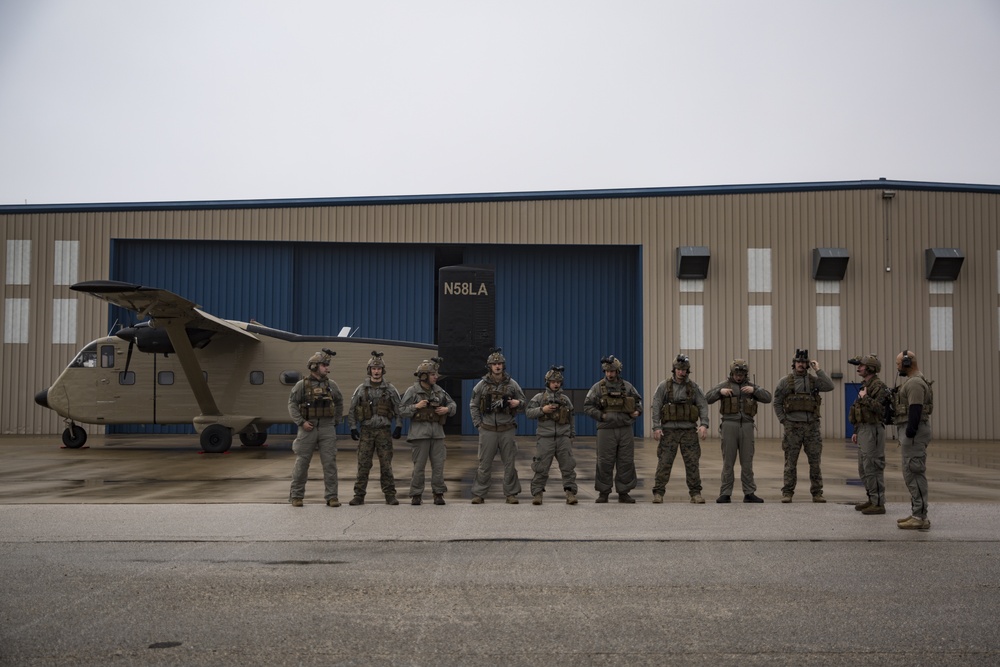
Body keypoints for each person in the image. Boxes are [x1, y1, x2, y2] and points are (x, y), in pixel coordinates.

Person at [705, 358, 772, 503]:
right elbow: (707, 398)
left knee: (747, 461)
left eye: (742, 373)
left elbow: (768, 398)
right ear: (732, 372)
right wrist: (719, 391)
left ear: (746, 373)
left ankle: (749, 492)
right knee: (728, 461)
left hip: (747, 426)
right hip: (729, 425)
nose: (739, 376)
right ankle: (725, 493)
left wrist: (755, 390)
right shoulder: (725, 385)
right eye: (737, 373)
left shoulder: (751, 386)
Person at [773, 349, 834, 503]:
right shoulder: (785, 382)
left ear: (808, 365)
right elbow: (777, 402)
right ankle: (787, 492)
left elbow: (829, 385)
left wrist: (818, 370)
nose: (801, 364)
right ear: (794, 364)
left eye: (804, 362)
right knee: (790, 463)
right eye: (799, 362)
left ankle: (817, 493)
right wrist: (784, 421)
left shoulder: (814, 381)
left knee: (815, 463)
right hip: (792, 428)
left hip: (812, 428)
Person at [287, 349, 344, 507]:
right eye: (324, 365)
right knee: (302, 463)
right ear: (314, 366)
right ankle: (296, 496)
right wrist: (301, 422)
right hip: (307, 427)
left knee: (330, 463)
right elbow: (292, 404)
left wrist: (335, 421)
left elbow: (339, 402)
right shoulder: (301, 386)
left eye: (327, 365)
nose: (327, 368)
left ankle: (332, 497)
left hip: (327, 427)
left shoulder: (331, 385)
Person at [650, 354, 710, 504]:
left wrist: (704, 424)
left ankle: (695, 493)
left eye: (684, 370)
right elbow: (656, 405)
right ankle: (658, 493)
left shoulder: (694, 387)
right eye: (678, 369)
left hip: (689, 431)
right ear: (674, 370)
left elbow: (702, 405)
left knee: (692, 463)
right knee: (664, 462)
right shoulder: (664, 386)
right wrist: (656, 426)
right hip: (668, 431)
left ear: (688, 371)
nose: (681, 372)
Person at [469, 348, 526, 504]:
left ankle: (511, 494)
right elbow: (473, 405)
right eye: (494, 364)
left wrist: (517, 403)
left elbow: (525, 403)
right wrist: (478, 424)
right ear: (489, 366)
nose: (497, 366)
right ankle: (479, 494)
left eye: (500, 363)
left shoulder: (512, 384)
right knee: (484, 464)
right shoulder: (481, 385)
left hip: (507, 428)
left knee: (509, 463)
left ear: (503, 365)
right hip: (487, 430)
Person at [583, 355, 643, 503]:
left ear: (618, 371)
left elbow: (638, 402)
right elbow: (587, 406)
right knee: (604, 461)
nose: (609, 374)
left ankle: (624, 492)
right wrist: (601, 416)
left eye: (612, 371)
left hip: (625, 429)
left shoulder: (627, 387)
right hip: (606, 429)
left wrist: (637, 412)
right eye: (607, 371)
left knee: (626, 461)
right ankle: (604, 492)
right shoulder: (597, 387)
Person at [346, 351, 403, 506]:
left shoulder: (390, 389)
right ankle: (359, 495)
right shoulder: (361, 389)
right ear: (369, 370)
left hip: (384, 431)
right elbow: (352, 410)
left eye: (379, 368)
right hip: (367, 431)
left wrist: (398, 426)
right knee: (363, 464)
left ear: (382, 370)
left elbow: (399, 409)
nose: (376, 371)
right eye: (373, 368)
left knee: (386, 465)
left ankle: (390, 495)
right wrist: (352, 427)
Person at [398, 357, 456, 506]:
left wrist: (447, 409)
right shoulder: (413, 391)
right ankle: (416, 494)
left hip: (437, 435)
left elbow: (453, 405)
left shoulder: (439, 391)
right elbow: (401, 410)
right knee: (419, 467)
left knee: (438, 466)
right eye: (432, 374)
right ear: (424, 376)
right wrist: (415, 407)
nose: (436, 377)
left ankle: (438, 493)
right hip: (419, 435)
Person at [893, 349, 934, 530]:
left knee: (914, 472)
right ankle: (917, 512)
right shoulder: (913, 381)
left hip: (914, 434)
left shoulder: (915, 383)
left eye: (899, 363)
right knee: (911, 472)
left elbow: (915, 410)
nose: (897, 366)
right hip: (913, 434)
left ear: (908, 363)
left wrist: (909, 434)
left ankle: (920, 516)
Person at [525, 365, 578, 505]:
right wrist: (543, 409)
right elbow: (529, 413)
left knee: (568, 466)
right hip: (545, 438)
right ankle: (537, 493)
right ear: (547, 382)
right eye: (553, 381)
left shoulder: (565, 399)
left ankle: (570, 493)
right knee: (541, 467)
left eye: (558, 382)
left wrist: (571, 435)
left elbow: (571, 417)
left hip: (563, 438)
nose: (556, 384)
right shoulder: (539, 398)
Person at [847, 354, 889, 516]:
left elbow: (881, 409)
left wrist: (865, 399)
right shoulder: (866, 385)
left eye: (861, 366)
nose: (858, 368)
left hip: (873, 430)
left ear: (870, 368)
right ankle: (872, 499)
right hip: (864, 430)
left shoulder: (879, 386)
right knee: (863, 468)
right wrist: (856, 430)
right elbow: (860, 411)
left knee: (873, 466)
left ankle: (878, 503)